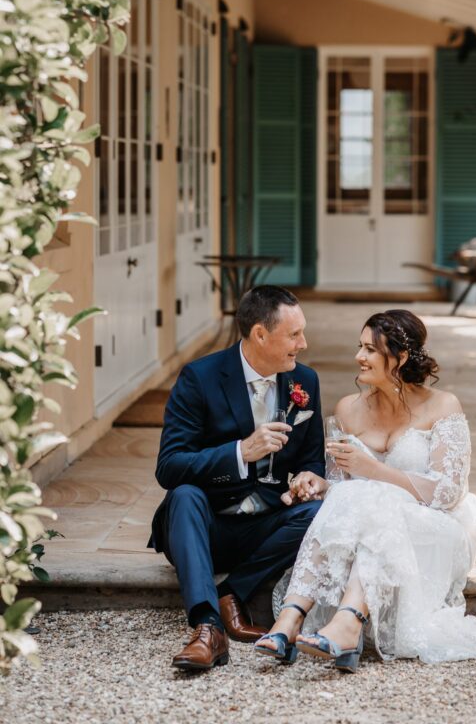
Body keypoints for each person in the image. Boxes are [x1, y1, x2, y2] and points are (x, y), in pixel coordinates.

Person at [255, 309, 476, 671]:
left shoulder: (443, 406)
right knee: (357, 497)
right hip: (372, 524)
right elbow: (343, 489)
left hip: (432, 528)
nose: (359, 356)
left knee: (378, 498)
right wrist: (319, 484)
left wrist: (374, 471)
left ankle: (343, 621)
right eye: (360, 346)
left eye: (370, 349)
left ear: (400, 357)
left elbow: (447, 494)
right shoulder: (347, 409)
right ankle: (292, 621)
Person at [149, 285, 325, 671]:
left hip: (264, 528)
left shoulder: (305, 381)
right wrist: (240, 453)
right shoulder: (200, 377)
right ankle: (208, 628)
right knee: (183, 495)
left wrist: (308, 480)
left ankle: (232, 592)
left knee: (322, 512)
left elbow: (313, 460)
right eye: (294, 335)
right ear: (260, 334)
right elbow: (169, 466)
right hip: (204, 528)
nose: (304, 344)